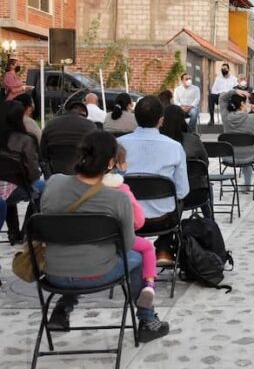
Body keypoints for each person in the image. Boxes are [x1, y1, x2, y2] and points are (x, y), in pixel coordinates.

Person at [42, 131, 169, 342]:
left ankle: (62, 308)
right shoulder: (117, 198)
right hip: (97, 272)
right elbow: (127, 244)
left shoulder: (53, 183)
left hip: (53, 272)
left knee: (75, 253)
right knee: (136, 259)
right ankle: (147, 320)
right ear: (111, 163)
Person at [118, 96, 189, 267]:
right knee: (179, 199)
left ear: (135, 117)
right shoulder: (174, 147)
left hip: (127, 218)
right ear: (161, 120)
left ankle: (132, 247)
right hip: (162, 218)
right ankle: (163, 248)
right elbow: (182, 191)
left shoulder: (118, 144)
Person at [102, 145, 157, 307]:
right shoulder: (122, 191)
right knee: (146, 249)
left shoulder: (76, 189)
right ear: (114, 164)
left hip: (71, 261)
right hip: (117, 243)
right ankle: (149, 286)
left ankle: (64, 305)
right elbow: (139, 221)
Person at [0, 100, 43, 244]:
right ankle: (26, 231)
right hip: (16, 186)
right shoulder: (26, 140)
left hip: (4, 189)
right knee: (42, 188)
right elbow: (33, 171)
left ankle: (13, 231)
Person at [159, 104, 212, 217]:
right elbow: (205, 163)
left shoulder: (159, 142)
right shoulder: (193, 140)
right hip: (196, 193)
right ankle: (209, 218)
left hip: (165, 195)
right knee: (205, 182)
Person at [219, 91, 254, 190]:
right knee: (247, 151)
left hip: (228, 156)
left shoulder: (226, 117)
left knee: (242, 149)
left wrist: (235, 91)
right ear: (242, 104)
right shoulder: (252, 118)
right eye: (247, 102)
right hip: (247, 156)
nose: (249, 104)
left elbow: (222, 98)